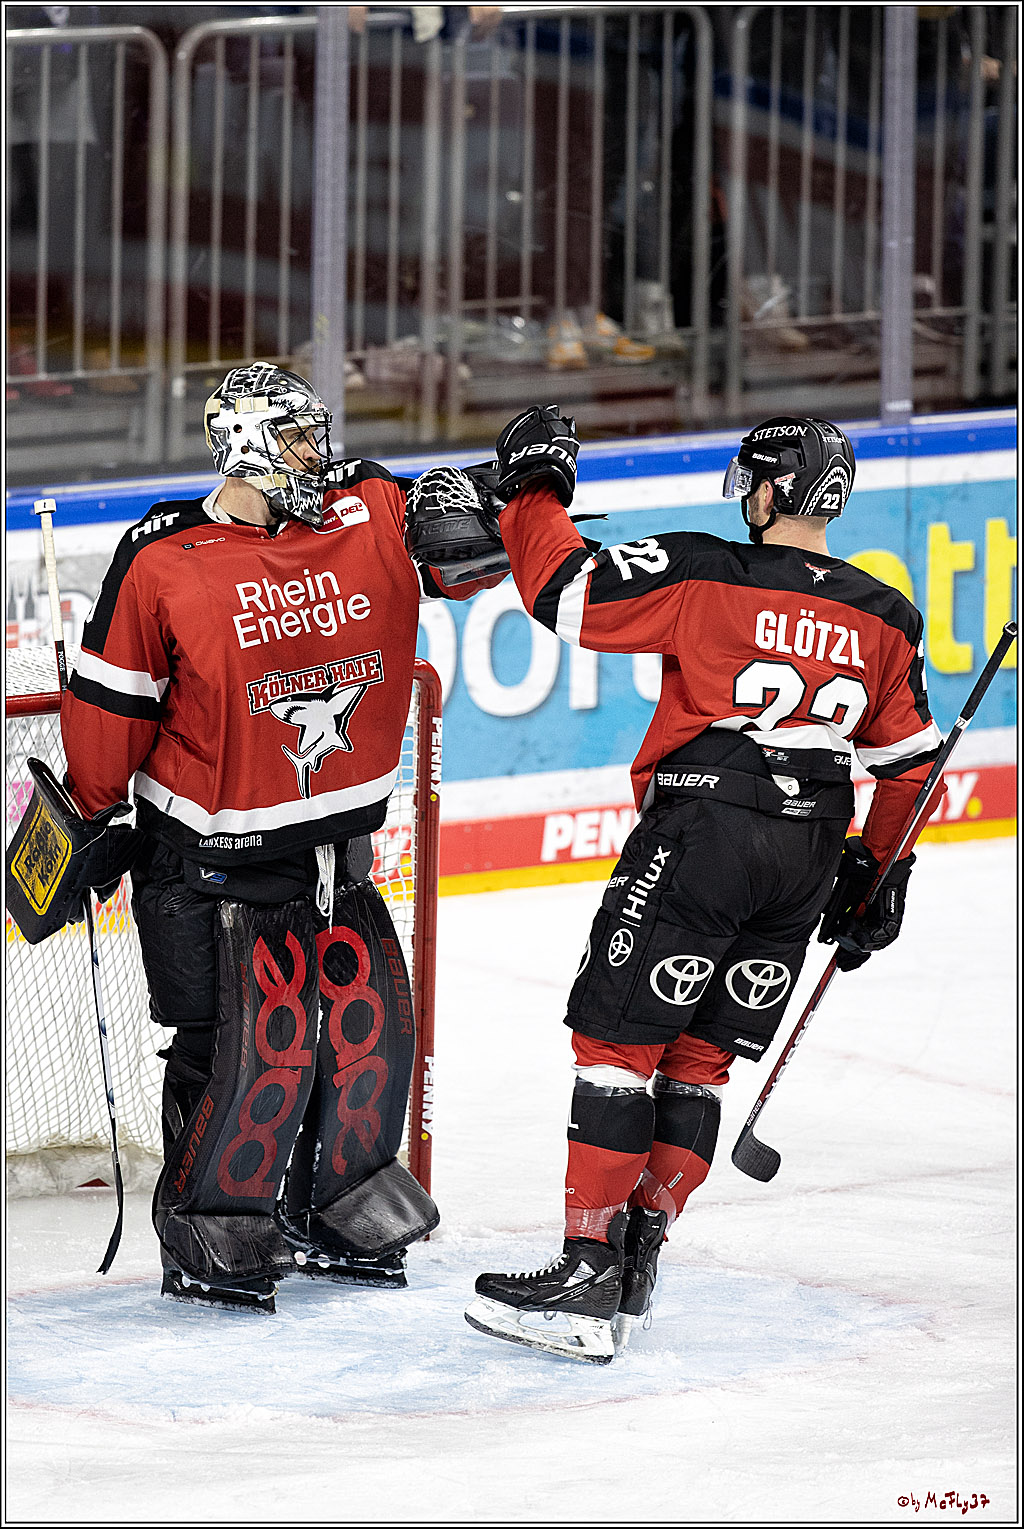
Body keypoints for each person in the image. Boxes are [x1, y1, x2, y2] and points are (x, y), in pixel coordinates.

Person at [418, 406, 944, 1364]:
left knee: (615, 1044)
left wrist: (536, 486)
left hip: (705, 832)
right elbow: (912, 766)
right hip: (806, 851)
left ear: (773, 487)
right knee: (700, 1060)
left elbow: (565, 592)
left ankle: (585, 1269)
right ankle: (638, 1258)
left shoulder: (708, 569)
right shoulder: (886, 613)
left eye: (754, 480)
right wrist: (878, 870)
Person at [56, 362, 503, 1312]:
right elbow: (110, 711)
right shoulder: (162, 556)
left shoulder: (367, 509)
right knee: (244, 1054)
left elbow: (468, 552)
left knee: (368, 1039)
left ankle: (339, 1207)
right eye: (299, 438)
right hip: (207, 874)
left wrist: (514, 488)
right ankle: (213, 1226)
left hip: (339, 860)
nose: (320, 454)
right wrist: (88, 810)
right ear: (246, 446)